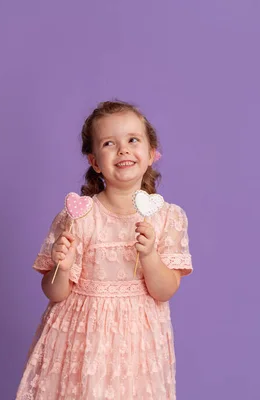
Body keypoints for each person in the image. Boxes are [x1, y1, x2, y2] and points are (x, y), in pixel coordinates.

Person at [16, 100, 193, 399]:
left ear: (151, 154)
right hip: (81, 340)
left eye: (133, 140)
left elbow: (164, 291)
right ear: (95, 161)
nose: (123, 149)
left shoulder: (168, 218)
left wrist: (149, 256)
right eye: (109, 143)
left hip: (137, 346)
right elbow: (55, 292)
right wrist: (62, 264)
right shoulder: (79, 215)